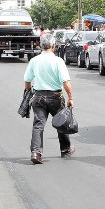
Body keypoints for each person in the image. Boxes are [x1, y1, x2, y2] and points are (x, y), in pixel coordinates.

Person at [23, 34, 76, 164]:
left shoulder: (34, 61)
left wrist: (28, 91)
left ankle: (36, 153)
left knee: (38, 125)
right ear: (53, 46)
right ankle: (65, 149)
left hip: (39, 97)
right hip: (56, 98)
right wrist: (70, 98)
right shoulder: (58, 61)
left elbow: (27, 80)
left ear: (41, 46)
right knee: (61, 123)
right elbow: (66, 82)